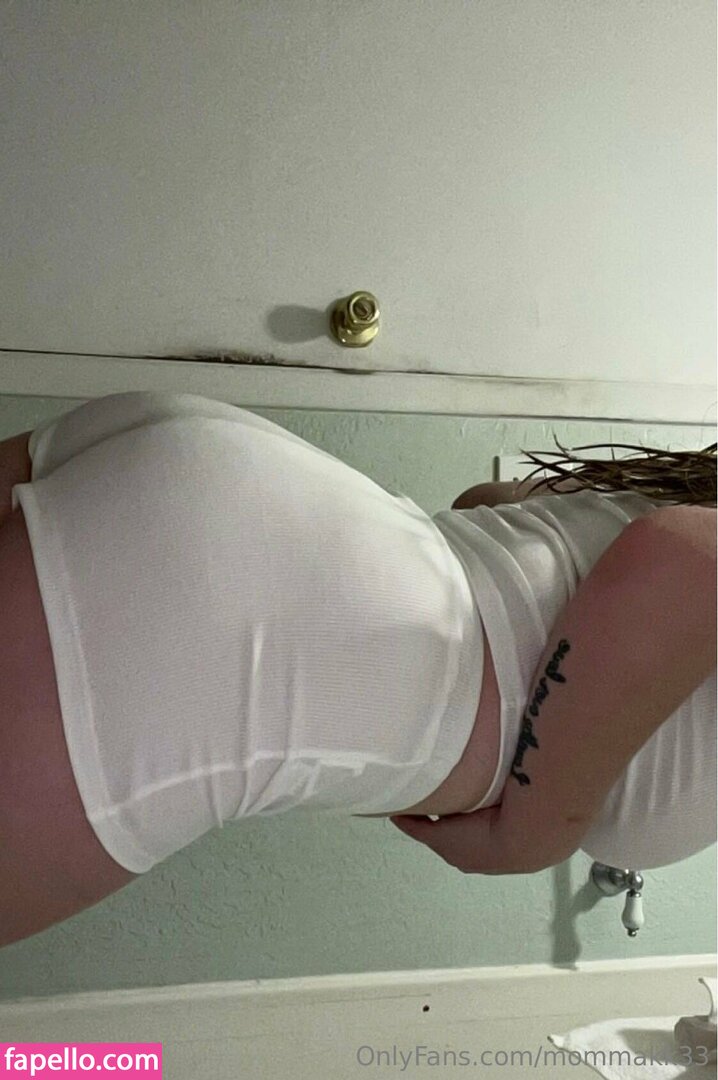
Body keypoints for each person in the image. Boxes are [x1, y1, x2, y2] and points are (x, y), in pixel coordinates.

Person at [0, 391, 715, 947]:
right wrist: (540, 830)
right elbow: (682, 564)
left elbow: (485, 503)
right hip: (230, 645)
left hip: (222, 478)